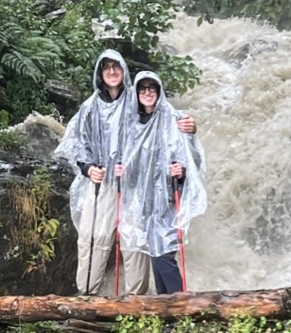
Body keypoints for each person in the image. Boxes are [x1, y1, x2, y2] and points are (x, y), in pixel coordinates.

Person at [55, 50, 151, 294]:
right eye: (106, 67)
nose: (111, 71)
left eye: (116, 66)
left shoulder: (136, 101)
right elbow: (75, 141)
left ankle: (136, 300)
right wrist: (88, 169)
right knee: (92, 237)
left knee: (134, 240)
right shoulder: (90, 106)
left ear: (123, 70)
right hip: (100, 183)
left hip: (133, 183)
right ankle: (87, 294)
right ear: (100, 72)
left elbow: (154, 133)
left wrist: (132, 164)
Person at [117, 70, 207, 293]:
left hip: (168, 196)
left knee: (164, 255)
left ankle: (178, 304)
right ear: (136, 93)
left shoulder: (176, 119)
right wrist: (122, 171)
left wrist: (182, 170)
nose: (147, 93)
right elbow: (131, 160)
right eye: (142, 89)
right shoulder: (134, 124)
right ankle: (165, 306)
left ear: (159, 91)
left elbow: (193, 156)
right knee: (156, 254)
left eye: (152, 88)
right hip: (145, 200)